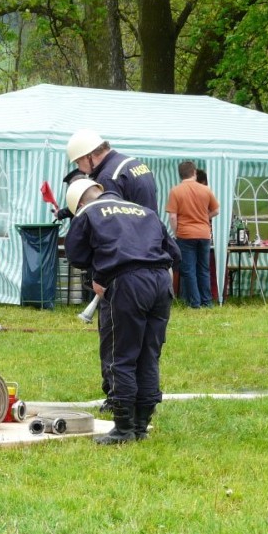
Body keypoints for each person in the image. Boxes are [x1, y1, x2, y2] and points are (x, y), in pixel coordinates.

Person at [63, 179, 181, 444]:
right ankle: (141, 425)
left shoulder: (87, 212)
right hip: (161, 282)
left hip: (129, 283)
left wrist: (101, 272)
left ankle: (124, 429)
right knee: (149, 355)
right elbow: (174, 252)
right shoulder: (143, 210)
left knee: (122, 356)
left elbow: (76, 255)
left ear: (79, 203)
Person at [166, 160, 220, 308]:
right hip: (204, 234)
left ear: (180, 175)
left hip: (185, 234)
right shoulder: (206, 190)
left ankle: (195, 303)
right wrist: (204, 217)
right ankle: (207, 301)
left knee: (189, 270)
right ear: (194, 173)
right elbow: (216, 210)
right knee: (203, 268)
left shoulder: (175, 191)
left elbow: (172, 216)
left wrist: (176, 232)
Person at [65, 130, 158, 212]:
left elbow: (110, 223)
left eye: (78, 162)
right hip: (153, 228)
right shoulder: (135, 163)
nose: (80, 169)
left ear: (88, 156)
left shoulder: (108, 177)